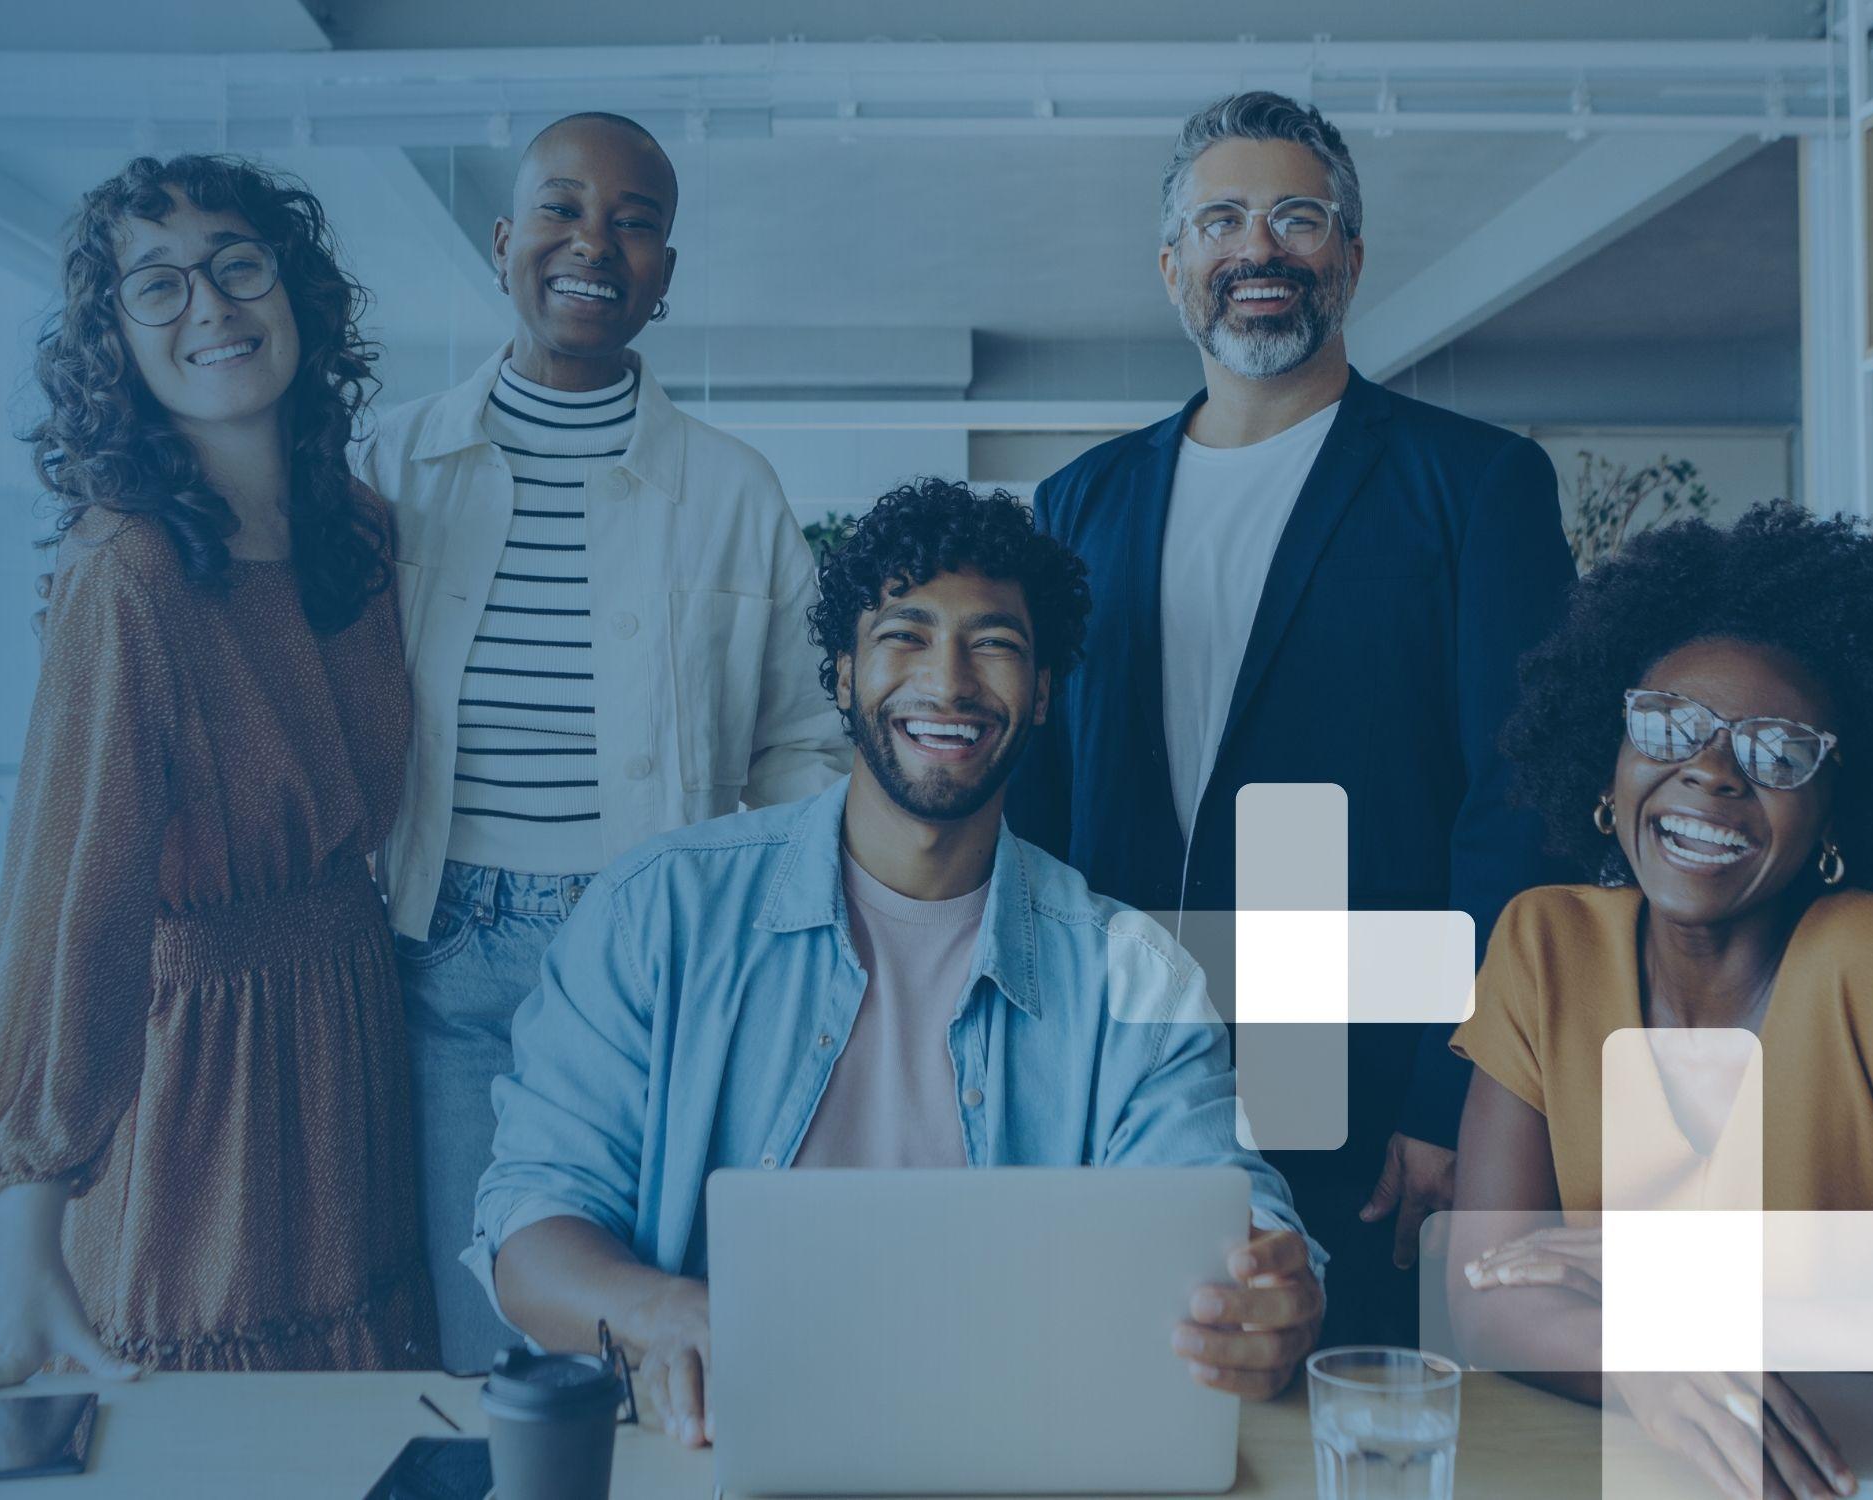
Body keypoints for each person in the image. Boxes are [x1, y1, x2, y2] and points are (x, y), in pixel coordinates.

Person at [473, 481, 1325, 1447]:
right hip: (715, 1448)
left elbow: (1223, 1201)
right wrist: (677, 1318)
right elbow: (531, 1225)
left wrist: (1269, 1289)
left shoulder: (1134, 974)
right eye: (905, 635)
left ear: (1042, 692)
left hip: (1020, 1445)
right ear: (841, 675)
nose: (950, 682)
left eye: (995, 643)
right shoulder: (655, 915)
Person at [0, 155, 431, 1397]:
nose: (211, 310)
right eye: (156, 287)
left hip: (349, 1029)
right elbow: (76, 901)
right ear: (113, 340)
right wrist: (28, 1219)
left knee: (367, 1426)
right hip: (206, 1073)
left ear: (298, 295)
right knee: (220, 1425)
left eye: (237, 266)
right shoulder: (128, 576)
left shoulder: (363, 532)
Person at [1006, 91, 1573, 1346]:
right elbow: (1037, 815)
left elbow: (1519, 812)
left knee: (1354, 1418)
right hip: (1130, 1067)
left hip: (1369, 1087)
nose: (1257, 248)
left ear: (1351, 259)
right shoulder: (1076, 503)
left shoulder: (1477, 487)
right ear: (1173, 268)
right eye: (1221, 220)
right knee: (1140, 1404)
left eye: (1296, 217)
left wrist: (1455, 1091)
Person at [1448, 503, 1873, 1500]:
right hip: (1620, 1467)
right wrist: (1646, 1367)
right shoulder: (1546, 944)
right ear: (1607, 768)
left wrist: (1688, 1303)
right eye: (1669, 727)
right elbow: (1487, 1294)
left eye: (1778, 751)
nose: (1710, 772)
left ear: (1836, 808)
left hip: (1867, 1472)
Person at [354, 111, 848, 1371]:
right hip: (442, 952)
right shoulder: (393, 462)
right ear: (507, 239)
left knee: (665, 1315)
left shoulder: (734, 489)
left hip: (657, 950)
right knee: (497, 1335)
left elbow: (802, 743)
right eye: (565, 210)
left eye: (636, 222)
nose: (597, 242)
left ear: (666, 273)